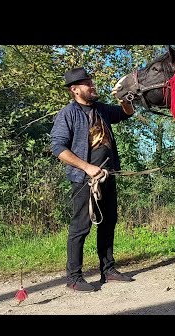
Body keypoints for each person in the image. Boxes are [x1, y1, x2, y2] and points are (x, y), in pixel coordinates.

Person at [50, 67, 135, 292]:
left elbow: (126, 113)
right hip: (84, 179)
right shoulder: (68, 114)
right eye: (87, 83)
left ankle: (108, 270)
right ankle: (74, 278)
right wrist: (87, 168)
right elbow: (58, 147)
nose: (92, 85)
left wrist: (123, 97)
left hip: (108, 176)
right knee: (81, 226)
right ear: (75, 89)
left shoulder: (101, 110)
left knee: (108, 223)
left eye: (91, 81)